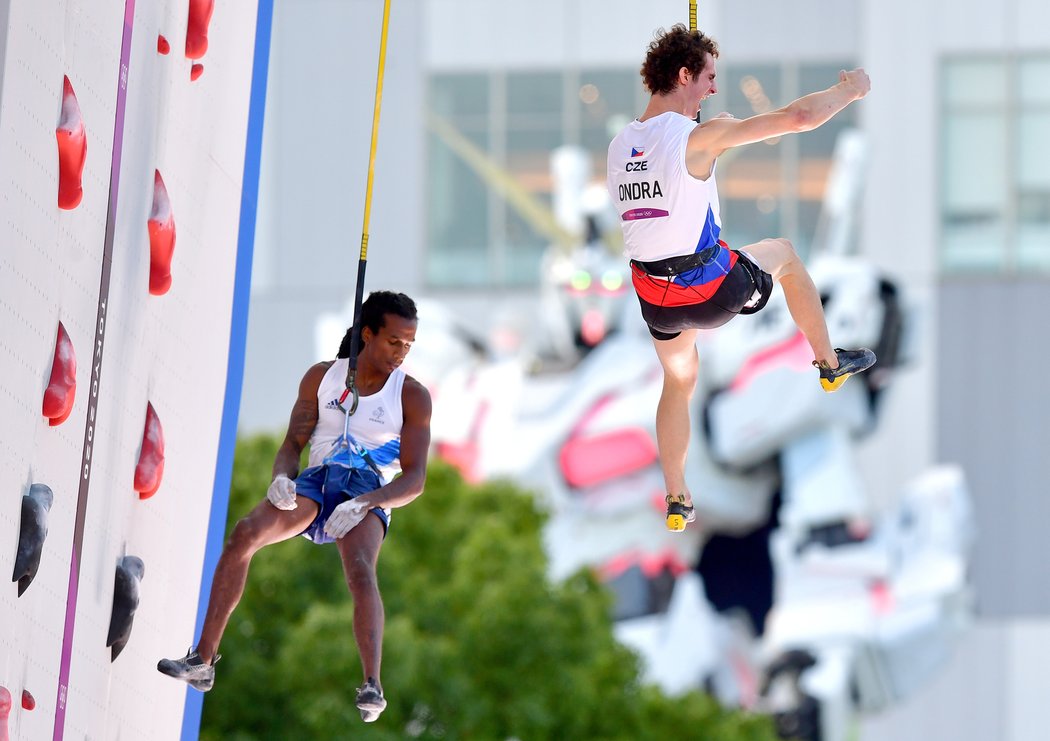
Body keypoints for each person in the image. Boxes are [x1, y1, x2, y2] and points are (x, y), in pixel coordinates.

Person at [606, 25, 875, 533]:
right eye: (707, 78)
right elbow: (798, 118)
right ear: (684, 75)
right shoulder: (696, 138)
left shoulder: (621, 145)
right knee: (788, 257)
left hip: (655, 300)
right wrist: (851, 89)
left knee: (680, 380)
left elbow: (670, 187)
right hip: (708, 288)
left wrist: (712, 135)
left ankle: (677, 496)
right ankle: (829, 361)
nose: (712, 89)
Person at [158, 290, 432, 723]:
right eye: (394, 341)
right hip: (317, 484)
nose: (402, 353)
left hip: (367, 492)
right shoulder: (321, 378)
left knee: (360, 570)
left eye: (409, 345)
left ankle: (372, 684)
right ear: (368, 334)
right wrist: (281, 478)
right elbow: (292, 445)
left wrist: (366, 502)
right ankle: (203, 660)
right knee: (244, 535)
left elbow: (415, 480)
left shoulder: (411, 396)